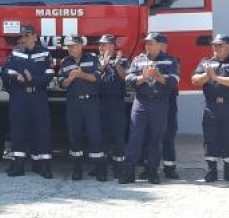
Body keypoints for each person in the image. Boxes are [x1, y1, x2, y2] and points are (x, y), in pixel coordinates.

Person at [118, 32, 179, 185]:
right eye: (146, 43)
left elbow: (173, 81)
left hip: (159, 103)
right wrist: (143, 78)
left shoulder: (169, 61)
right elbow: (129, 79)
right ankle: (129, 173)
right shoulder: (138, 60)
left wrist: (158, 76)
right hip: (141, 103)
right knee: (135, 138)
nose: (148, 46)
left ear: (160, 45)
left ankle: (152, 172)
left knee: (156, 139)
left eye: (151, 43)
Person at [0, 23, 55, 179]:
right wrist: (16, 77)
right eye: (22, 36)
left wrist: (32, 80)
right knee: (18, 129)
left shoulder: (45, 53)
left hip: (38, 96)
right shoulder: (16, 53)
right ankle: (18, 165)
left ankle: (42, 165)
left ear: (34, 37)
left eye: (27, 36)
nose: (23, 39)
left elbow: (49, 75)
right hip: (20, 97)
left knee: (41, 129)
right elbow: (5, 71)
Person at [191, 34, 229, 183]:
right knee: (210, 138)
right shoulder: (206, 63)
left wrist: (215, 77)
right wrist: (207, 76)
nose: (215, 48)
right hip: (211, 106)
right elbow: (195, 80)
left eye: (219, 45)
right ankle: (211, 171)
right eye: (214, 45)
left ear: (228, 47)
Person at [58, 35, 105, 181]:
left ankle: (99, 169)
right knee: (74, 136)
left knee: (95, 135)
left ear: (80, 46)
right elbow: (62, 84)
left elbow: (96, 78)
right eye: (68, 46)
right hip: (74, 103)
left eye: (72, 46)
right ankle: (76, 169)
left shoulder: (92, 58)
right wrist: (71, 78)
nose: (69, 49)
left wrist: (81, 74)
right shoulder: (65, 62)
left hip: (91, 102)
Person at [97, 34, 129, 178]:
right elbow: (93, 78)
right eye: (100, 45)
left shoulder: (122, 60)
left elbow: (126, 77)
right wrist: (103, 65)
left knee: (118, 136)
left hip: (116, 102)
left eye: (104, 44)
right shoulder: (95, 60)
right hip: (99, 102)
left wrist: (116, 64)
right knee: (100, 136)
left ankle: (119, 168)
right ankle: (100, 168)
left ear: (112, 46)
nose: (101, 47)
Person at [159, 40, 181, 180]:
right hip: (152, 101)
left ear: (165, 46)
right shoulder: (146, 59)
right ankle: (150, 167)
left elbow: (173, 80)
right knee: (151, 135)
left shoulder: (172, 61)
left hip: (168, 101)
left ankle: (169, 168)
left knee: (168, 134)